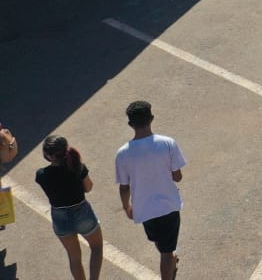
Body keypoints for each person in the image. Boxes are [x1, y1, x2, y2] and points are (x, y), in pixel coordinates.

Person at [114, 101, 186, 280]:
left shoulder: (122, 153)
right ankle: (169, 261)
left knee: (163, 247)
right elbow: (177, 177)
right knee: (166, 251)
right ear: (151, 119)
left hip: (144, 209)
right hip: (168, 205)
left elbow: (124, 187)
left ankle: (170, 259)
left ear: (130, 124)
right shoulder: (168, 143)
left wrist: (126, 207)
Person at [37, 135, 104, 280]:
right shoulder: (77, 167)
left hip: (60, 217)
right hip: (82, 212)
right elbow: (89, 187)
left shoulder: (41, 175)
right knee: (97, 247)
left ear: (48, 155)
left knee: (74, 257)